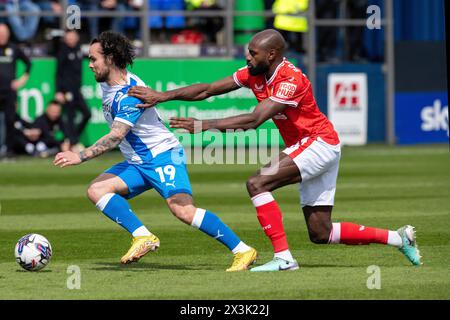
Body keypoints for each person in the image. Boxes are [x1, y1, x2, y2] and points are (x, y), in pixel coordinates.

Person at [128, 29, 422, 271]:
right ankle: (399, 238)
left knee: (258, 182)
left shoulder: (290, 80)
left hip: (318, 142)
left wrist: (204, 125)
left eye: (252, 53)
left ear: (271, 55)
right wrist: (162, 96)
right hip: (312, 146)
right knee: (321, 233)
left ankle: (283, 258)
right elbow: (207, 90)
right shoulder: (254, 72)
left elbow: (255, 119)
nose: (247, 56)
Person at [53, 31, 257, 271]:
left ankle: (243, 250)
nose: (89, 65)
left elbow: (116, 135)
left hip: (162, 155)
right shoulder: (109, 84)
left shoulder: (131, 94)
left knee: (182, 210)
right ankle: (143, 237)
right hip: (138, 161)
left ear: (110, 59)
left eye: (93, 59)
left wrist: (80, 155)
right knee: (97, 190)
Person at [55, 30, 91, 151]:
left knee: (87, 114)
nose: (71, 40)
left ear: (77, 38)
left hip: (77, 90)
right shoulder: (63, 51)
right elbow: (58, 73)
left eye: (73, 37)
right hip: (67, 91)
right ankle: (72, 142)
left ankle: (73, 138)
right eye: (68, 37)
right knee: (70, 116)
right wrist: (59, 91)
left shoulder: (79, 49)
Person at [0, 23, 31, 158]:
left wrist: (22, 79)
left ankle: (8, 150)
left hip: (9, 92)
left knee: (10, 120)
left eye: (4, 34)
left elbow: (28, 63)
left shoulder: (14, 48)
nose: (2, 36)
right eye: (0, 34)